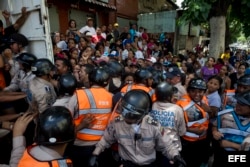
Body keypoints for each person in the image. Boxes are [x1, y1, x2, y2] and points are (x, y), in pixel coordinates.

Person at [88, 89, 186, 167]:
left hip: (148, 164)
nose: (126, 118)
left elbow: (166, 145)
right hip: (127, 164)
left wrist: (176, 156)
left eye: (131, 117)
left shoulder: (154, 125)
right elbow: (106, 139)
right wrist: (95, 154)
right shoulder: (116, 123)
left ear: (143, 114)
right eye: (124, 113)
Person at [66, 67, 113, 167]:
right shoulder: (112, 97)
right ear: (107, 82)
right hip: (102, 147)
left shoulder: (78, 95)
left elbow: (66, 123)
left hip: (79, 146)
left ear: (90, 80)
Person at [176, 78, 211, 167]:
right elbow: (176, 125)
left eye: (200, 91)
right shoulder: (181, 105)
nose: (197, 94)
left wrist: (209, 110)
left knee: (198, 161)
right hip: (188, 142)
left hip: (202, 139)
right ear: (188, 91)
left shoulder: (204, 100)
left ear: (204, 92)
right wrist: (192, 130)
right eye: (193, 91)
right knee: (189, 162)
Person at [150, 82, 186, 167]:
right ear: (169, 96)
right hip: (172, 149)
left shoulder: (153, 105)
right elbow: (182, 132)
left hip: (154, 148)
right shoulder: (177, 109)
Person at [212, 90, 250, 166]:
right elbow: (215, 126)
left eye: (242, 104)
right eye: (238, 102)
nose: (238, 106)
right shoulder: (224, 114)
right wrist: (214, 132)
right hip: (221, 153)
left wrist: (232, 145)